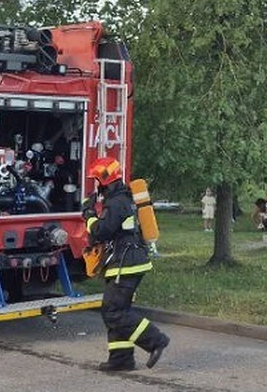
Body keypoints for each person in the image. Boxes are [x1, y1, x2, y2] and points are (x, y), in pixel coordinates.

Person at [83, 156, 170, 372]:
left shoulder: (116, 203)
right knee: (117, 310)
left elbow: (101, 231)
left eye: (96, 180)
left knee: (113, 310)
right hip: (128, 260)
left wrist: (89, 215)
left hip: (127, 263)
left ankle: (156, 340)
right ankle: (121, 359)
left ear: (104, 181)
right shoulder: (124, 198)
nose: (96, 185)